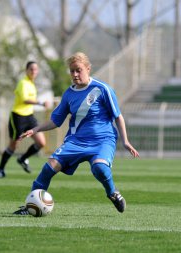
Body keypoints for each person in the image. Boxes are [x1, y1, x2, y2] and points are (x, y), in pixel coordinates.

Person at [13, 52, 139, 215]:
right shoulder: (69, 94)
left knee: (100, 168)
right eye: (72, 71)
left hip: (103, 140)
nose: (74, 74)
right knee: (48, 167)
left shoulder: (102, 89)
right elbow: (55, 121)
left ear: (88, 68)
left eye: (78, 70)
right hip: (76, 141)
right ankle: (30, 206)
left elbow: (118, 116)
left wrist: (126, 141)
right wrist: (35, 129)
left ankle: (112, 192)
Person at [0, 61, 48, 178]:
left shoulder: (32, 84)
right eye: (31, 69)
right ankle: (0, 169)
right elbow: (25, 100)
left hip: (29, 117)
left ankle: (23, 159)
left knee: (41, 142)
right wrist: (40, 102)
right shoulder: (23, 83)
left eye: (35, 69)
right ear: (26, 70)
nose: (34, 71)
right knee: (13, 146)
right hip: (18, 117)